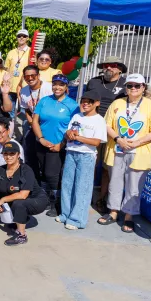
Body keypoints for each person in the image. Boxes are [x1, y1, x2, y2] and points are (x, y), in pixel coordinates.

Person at [99, 73, 151, 233]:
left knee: (134, 186)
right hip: (118, 149)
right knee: (115, 182)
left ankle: (129, 216)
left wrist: (137, 142)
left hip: (138, 151)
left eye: (137, 85)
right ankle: (113, 212)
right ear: (125, 88)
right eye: (130, 85)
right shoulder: (117, 104)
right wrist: (119, 139)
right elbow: (107, 125)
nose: (133, 88)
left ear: (143, 87)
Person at [0, 141, 49, 246]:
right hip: (17, 198)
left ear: (18, 155)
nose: (8, 156)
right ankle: (18, 218)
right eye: (6, 154)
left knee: (19, 203)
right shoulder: (1, 170)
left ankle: (22, 235)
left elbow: (23, 195)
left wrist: (2, 200)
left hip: (37, 200)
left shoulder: (26, 170)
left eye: (12, 154)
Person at [57, 90, 107, 230]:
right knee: (67, 185)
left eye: (89, 101)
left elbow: (96, 142)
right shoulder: (77, 116)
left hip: (86, 156)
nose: (85, 104)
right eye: (83, 101)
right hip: (71, 153)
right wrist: (69, 134)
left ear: (97, 103)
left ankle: (77, 219)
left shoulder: (99, 120)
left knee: (82, 187)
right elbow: (68, 132)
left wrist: (78, 137)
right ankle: (65, 214)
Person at [31, 74, 79, 217]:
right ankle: (44, 199)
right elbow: (35, 121)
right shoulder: (45, 101)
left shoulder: (72, 105)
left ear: (66, 87)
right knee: (42, 173)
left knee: (52, 175)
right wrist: (40, 139)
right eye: (55, 84)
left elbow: (75, 128)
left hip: (57, 145)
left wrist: (61, 144)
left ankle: (56, 203)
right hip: (41, 143)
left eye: (61, 85)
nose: (57, 87)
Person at [86, 55, 128, 211]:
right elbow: (85, 102)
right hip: (92, 128)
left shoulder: (126, 84)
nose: (109, 67)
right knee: (89, 164)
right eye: (106, 65)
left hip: (113, 131)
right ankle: (85, 195)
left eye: (113, 65)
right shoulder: (94, 82)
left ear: (120, 69)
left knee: (107, 168)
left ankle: (102, 199)